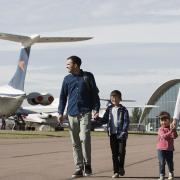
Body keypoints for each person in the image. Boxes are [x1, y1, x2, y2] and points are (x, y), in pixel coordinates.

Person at [58, 55, 100, 178]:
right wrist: (60, 112)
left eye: (68, 64)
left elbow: (94, 94)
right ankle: (79, 167)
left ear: (75, 65)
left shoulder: (88, 76)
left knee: (85, 137)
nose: (66, 66)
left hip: (85, 112)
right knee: (75, 142)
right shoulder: (66, 79)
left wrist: (96, 109)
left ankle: (87, 165)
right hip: (71, 114)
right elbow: (62, 97)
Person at [99, 90, 129, 178]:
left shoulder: (124, 110)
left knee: (121, 152)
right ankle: (116, 172)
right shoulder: (109, 109)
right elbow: (104, 120)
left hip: (121, 135)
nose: (114, 99)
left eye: (116, 97)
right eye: (112, 97)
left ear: (120, 99)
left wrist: (123, 131)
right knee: (114, 154)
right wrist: (96, 119)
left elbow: (126, 121)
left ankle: (121, 167)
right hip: (112, 134)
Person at [157, 111, 178, 180]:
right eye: (162, 120)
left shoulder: (171, 128)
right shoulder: (160, 129)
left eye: (165, 120)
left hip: (169, 149)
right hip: (161, 149)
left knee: (170, 162)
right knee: (162, 162)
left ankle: (171, 173)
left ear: (169, 120)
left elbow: (174, 136)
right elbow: (163, 136)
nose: (163, 122)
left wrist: (174, 130)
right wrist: (171, 131)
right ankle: (161, 175)